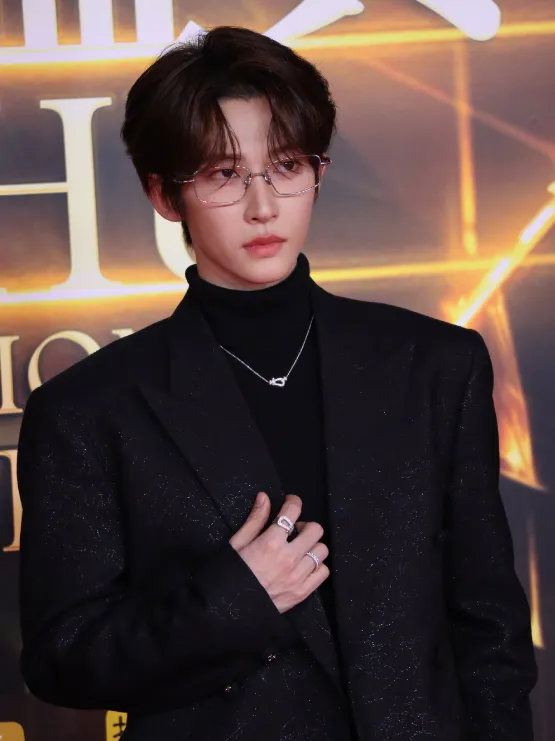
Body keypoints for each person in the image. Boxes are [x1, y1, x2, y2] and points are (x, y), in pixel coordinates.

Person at [17, 25, 537, 741]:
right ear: (165, 194)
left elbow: (491, 634)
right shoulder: (88, 410)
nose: (263, 207)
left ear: (318, 171)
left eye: (286, 165)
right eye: (224, 174)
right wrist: (236, 601)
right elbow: (62, 659)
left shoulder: (435, 365)